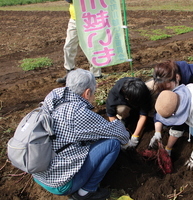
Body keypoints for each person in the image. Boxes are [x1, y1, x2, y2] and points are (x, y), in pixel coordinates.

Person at [32, 69, 130, 200]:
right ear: (87, 92)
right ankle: (87, 192)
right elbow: (120, 134)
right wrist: (128, 136)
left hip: (39, 173)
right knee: (112, 144)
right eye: (93, 93)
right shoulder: (77, 113)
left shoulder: (53, 97)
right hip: (60, 184)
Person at [147, 60, 193, 150]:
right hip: (192, 110)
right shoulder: (165, 83)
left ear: (177, 77)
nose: (169, 92)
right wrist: (157, 132)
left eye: (169, 88)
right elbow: (163, 107)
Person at [56, 0, 102, 84]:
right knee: (68, 46)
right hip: (74, 19)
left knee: (92, 46)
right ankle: (69, 72)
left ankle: (96, 75)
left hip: (89, 18)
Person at [106, 77, 152, 148]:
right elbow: (111, 115)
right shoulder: (115, 94)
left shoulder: (142, 90)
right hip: (125, 106)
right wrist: (120, 132)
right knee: (122, 109)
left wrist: (135, 136)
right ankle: (124, 119)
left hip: (137, 102)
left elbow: (143, 114)